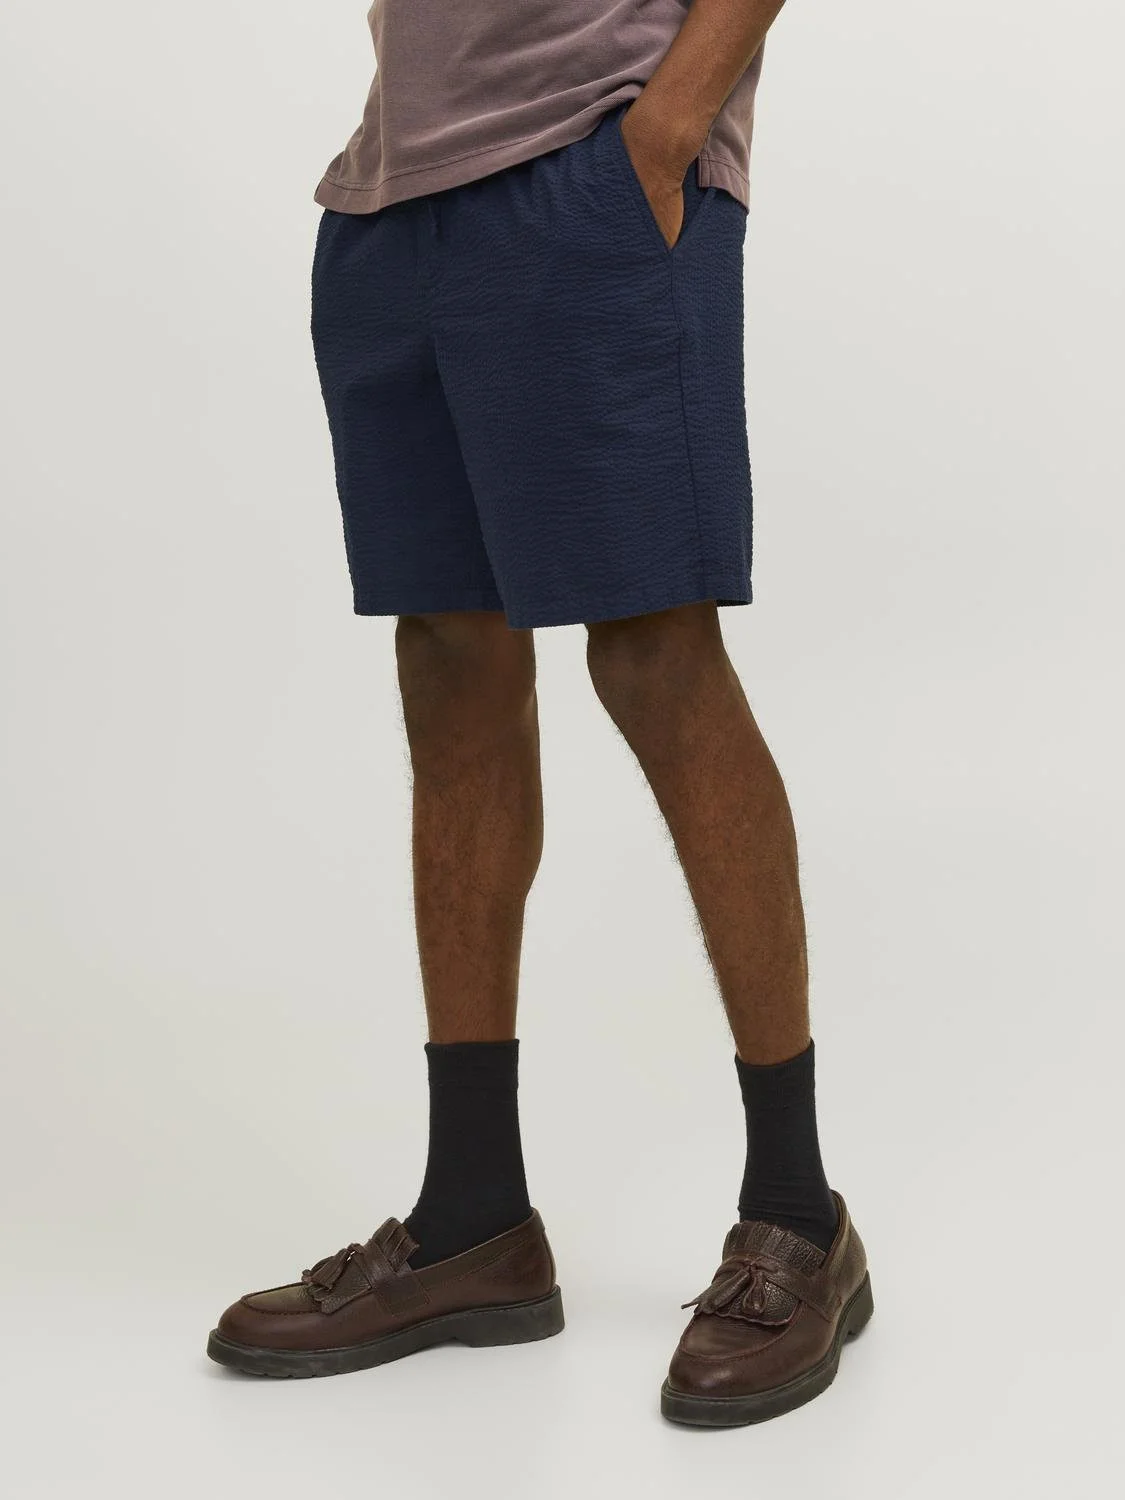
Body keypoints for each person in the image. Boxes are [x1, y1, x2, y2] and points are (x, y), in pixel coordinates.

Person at [206, 0, 873, 1426]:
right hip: (393, 195)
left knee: (654, 654)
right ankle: (474, 1220)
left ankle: (796, 1212)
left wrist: (667, 130)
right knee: (450, 663)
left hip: (594, 163)